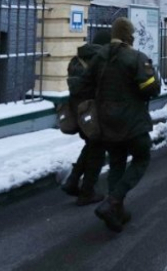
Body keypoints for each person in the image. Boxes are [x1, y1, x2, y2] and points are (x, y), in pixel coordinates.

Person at [80, 17, 160, 232]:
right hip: (133, 122)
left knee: (117, 163)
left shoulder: (99, 57)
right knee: (142, 158)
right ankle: (113, 201)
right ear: (128, 35)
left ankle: (116, 212)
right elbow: (150, 89)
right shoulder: (136, 58)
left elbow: (84, 86)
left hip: (107, 123)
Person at [61, 29, 111, 205]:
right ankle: (87, 192)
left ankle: (72, 181)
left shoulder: (77, 59)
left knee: (90, 146)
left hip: (79, 111)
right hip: (94, 112)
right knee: (98, 150)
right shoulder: (101, 60)